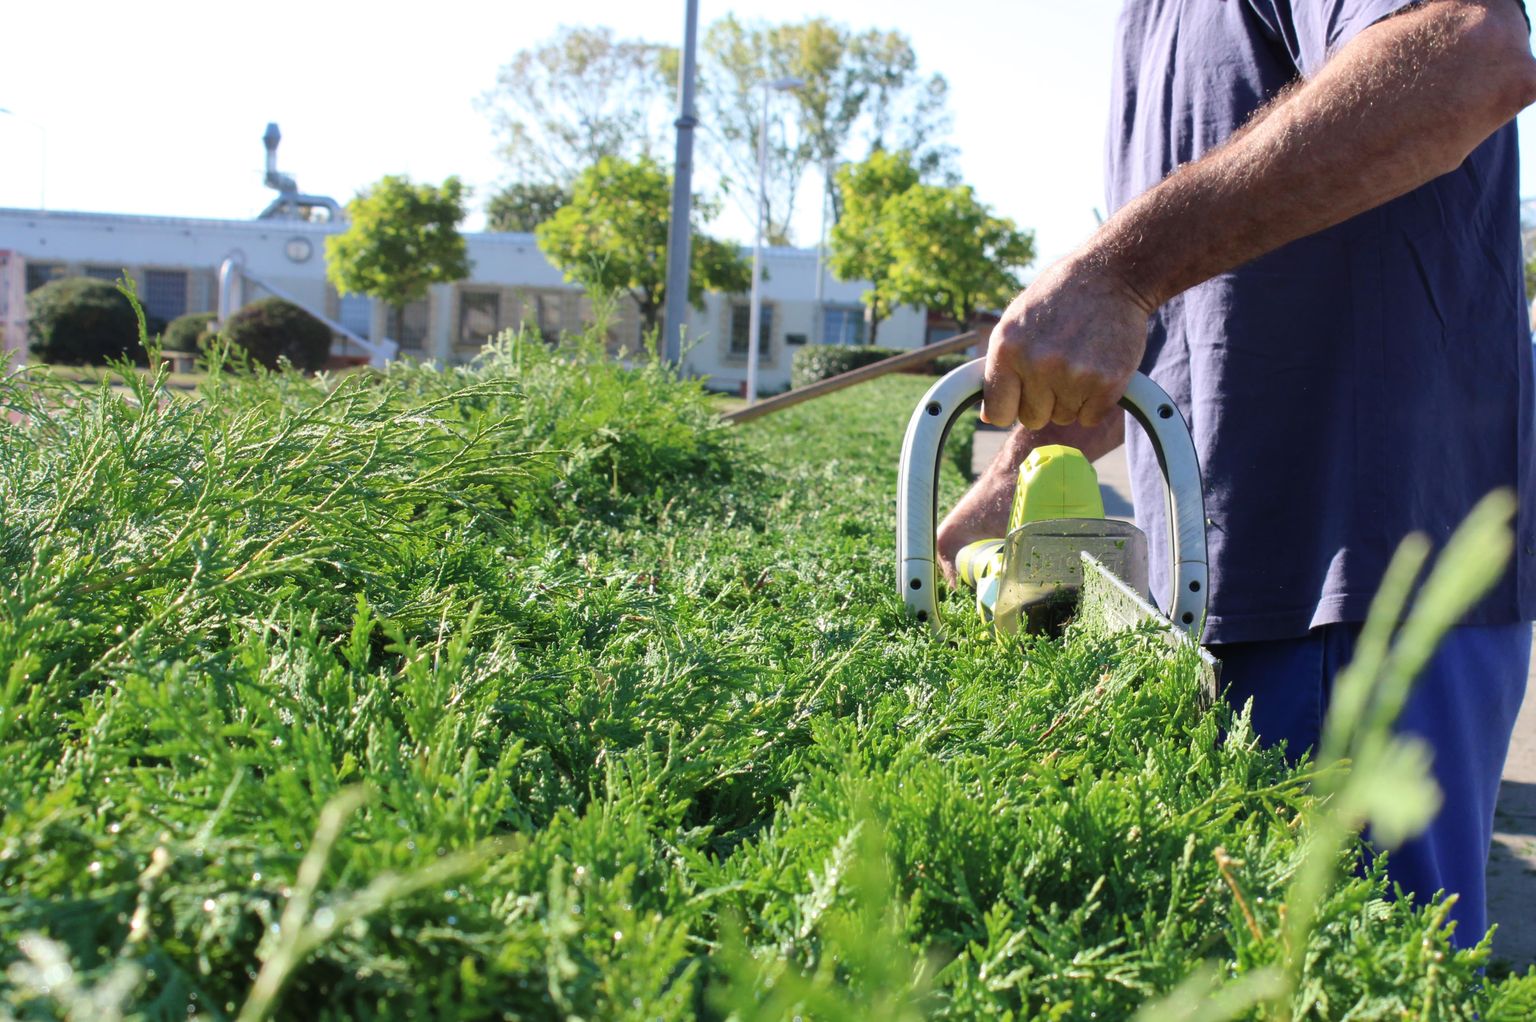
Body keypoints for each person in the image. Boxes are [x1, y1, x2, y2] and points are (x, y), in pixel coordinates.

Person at [938, 0, 1536, 947]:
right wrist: (1016, 474)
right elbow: (1200, 312)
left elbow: (1468, 53)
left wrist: (1116, 270)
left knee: (1355, 983)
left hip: (1354, 589)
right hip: (1225, 601)